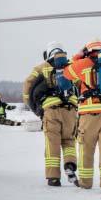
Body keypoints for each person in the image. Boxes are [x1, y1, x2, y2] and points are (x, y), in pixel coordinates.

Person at [63, 39, 101, 193]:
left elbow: (66, 73)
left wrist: (78, 57)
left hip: (89, 112)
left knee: (86, 148)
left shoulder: (82, 64)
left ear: (88, 51)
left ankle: (85, 182)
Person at [22, 42, 79, 187]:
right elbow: (80, 85)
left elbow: (28, 86)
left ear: (48, 54)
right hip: (70, 110)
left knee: (52, 143)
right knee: (69, 140)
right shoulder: (71, 66)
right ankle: (70, 165)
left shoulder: (41, 68)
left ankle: (53, 178)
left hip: (51, 110)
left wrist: (37, 109)